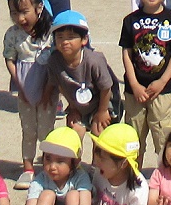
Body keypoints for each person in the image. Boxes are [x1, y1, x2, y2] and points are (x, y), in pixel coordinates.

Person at [119, 0, 171, 166]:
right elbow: (126, 52)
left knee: (163, 135)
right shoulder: (130, 20)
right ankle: (132, 176)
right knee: (133, 135)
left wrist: (162, 81)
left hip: (163, 90)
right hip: (135, 91)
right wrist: (134, 84)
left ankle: (166, 176)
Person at [1, 0, 55, 186]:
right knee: (28, 128)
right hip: (24, 86)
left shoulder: (50, 31)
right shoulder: (12, 34)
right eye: (14, 13)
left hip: (47, 85)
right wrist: (19, 84)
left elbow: (55, 62)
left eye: (24, 12)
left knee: (46, 129)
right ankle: (28, 168)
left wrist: (48, 90)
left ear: (39, 7)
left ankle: (50, 165)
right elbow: (10, 58)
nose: (20, 18)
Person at [39, 11, 117, 139]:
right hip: (78, 104)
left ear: (84, 39)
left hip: (102, 102)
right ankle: (74, 159)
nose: (65, 42)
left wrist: (102, 111)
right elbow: (59, 85)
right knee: (73, 132)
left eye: (71, 37)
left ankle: (97, 159)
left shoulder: (94, 60)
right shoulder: (54, 60)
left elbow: (106, 88)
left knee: (99, 134)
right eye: (60, 37)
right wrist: (72, 107)